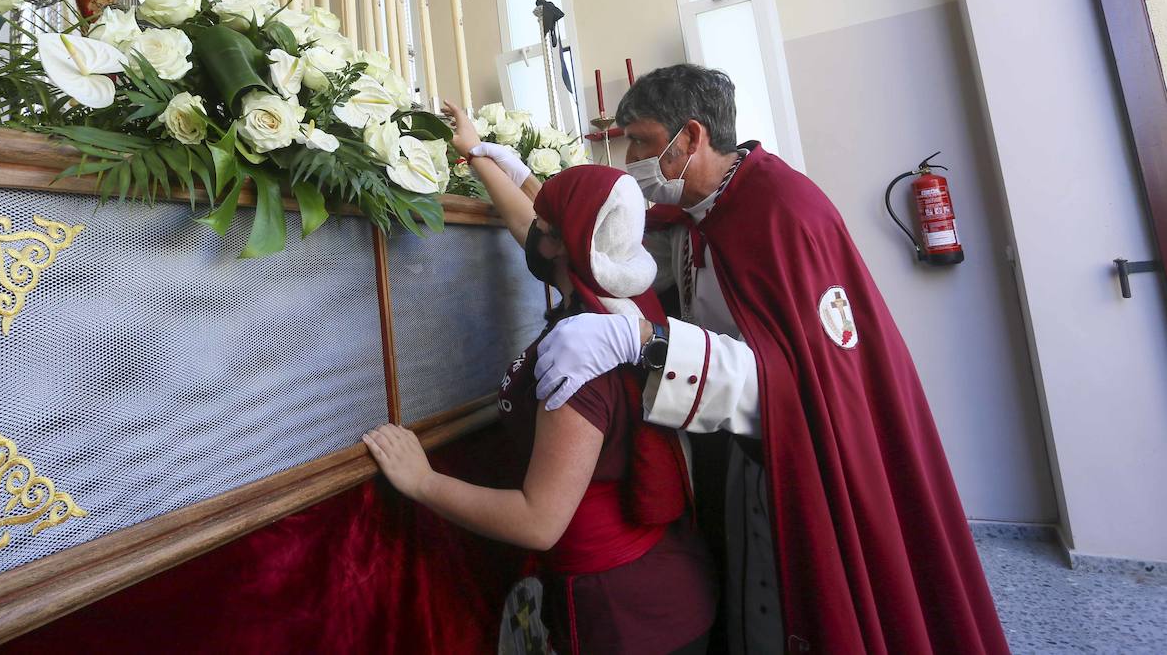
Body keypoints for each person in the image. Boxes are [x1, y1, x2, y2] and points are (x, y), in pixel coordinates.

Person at [528, 65, 1010, 654]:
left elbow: (790, 380)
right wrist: (511, 171)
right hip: (746, 458)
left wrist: (644, 342)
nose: (633, 159)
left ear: (692, 137)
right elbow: (585, 233)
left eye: (646, 142)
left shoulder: (785, 210)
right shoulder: (699, 209)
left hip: (804, 450)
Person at [364, 105, 715, 655]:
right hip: (671, 589)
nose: (532, 230)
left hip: (627, 618)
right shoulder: (623, 293)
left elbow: (539, 522)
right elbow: (534, 223)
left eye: (545, 226)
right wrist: (479, 155)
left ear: (559, 244)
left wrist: (422, 481)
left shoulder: (578, 356)